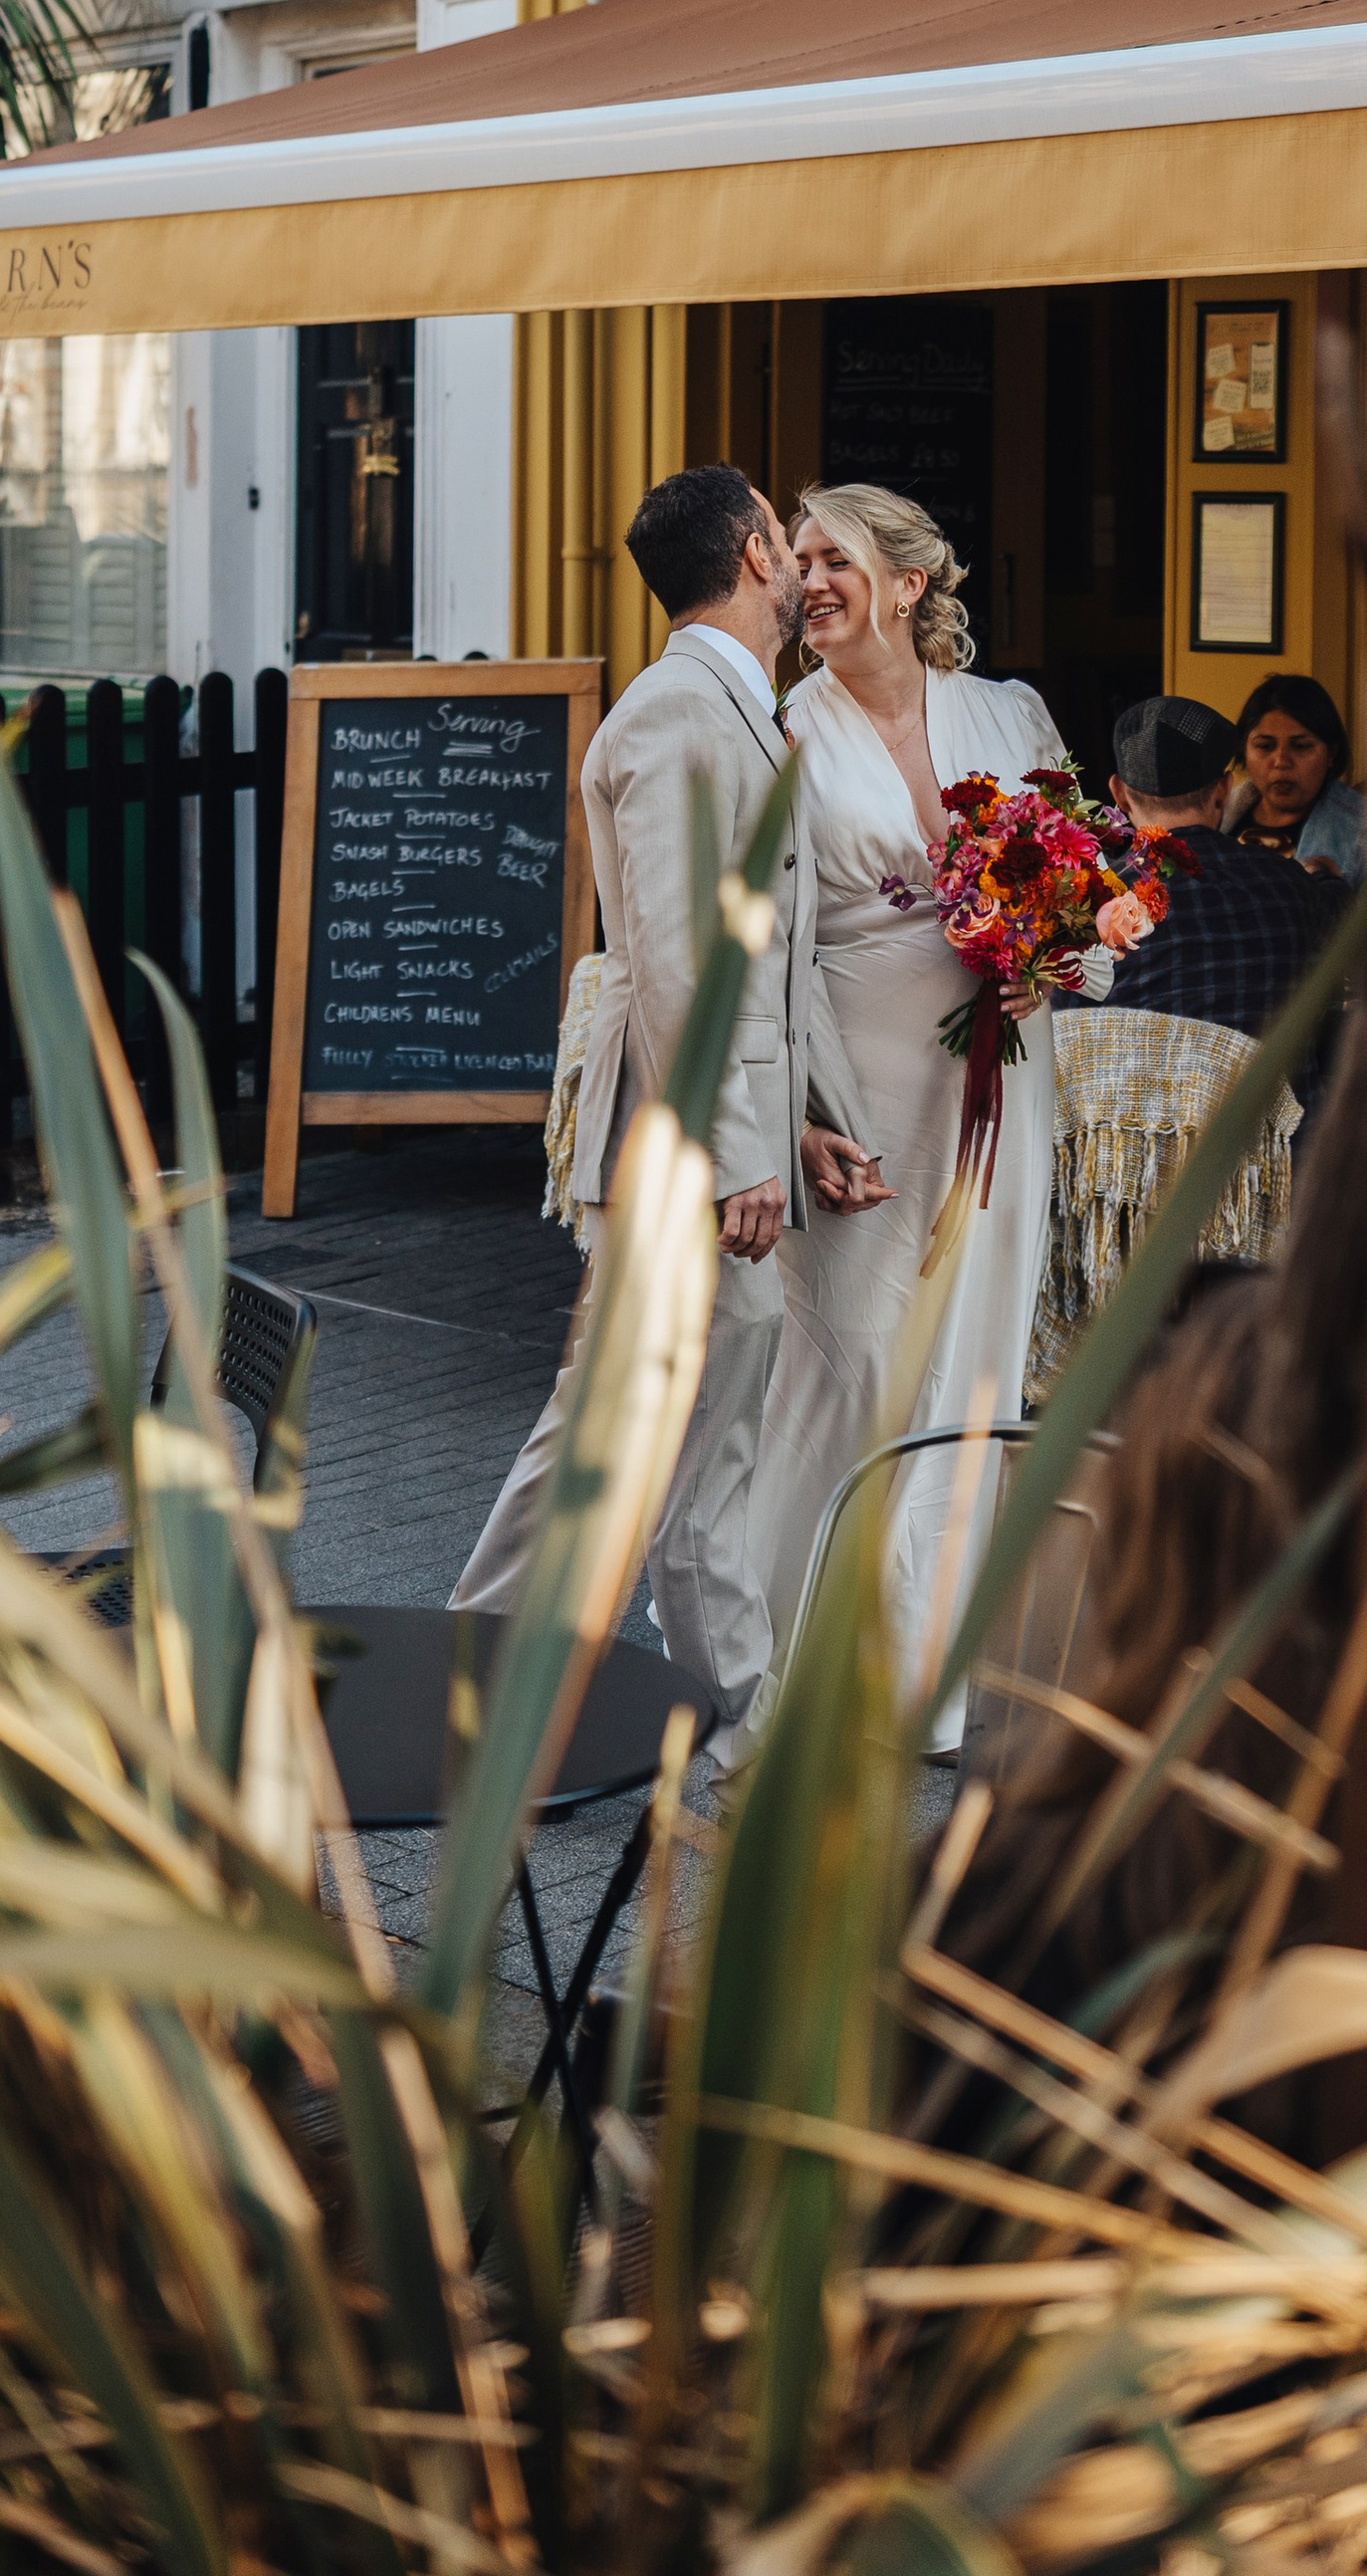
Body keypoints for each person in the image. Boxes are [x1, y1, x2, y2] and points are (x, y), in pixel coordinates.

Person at [450, 463, 883, 1771]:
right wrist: (737, 1151)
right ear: (755, 552)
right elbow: (697, 959)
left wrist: (799, 1122)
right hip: (681, 1152)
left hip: (706, 1142)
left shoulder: (726, 707)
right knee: (641, 1431)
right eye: (785, 538)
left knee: (691, 1437)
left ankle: (703, 1710)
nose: (805, 566)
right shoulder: (680, 718)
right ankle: (485, 1689)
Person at [742, 480, 1065, 1738]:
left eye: (833, 558)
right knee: (850, 1354)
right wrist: (801, 1111)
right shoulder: (782, 732)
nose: (806, 579)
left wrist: (1057, 958)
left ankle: (923, 1669)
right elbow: (768, 949)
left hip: (1005, 1079)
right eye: (797, 558)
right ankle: (790, 1648)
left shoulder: (1007, 711)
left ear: (911, 584)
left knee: (972, 1354)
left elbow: (1077, 881)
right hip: (860, 1085)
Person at [1085, 693, 1350, 1080]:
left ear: (1119, 793)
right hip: (1270, 1134)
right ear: (1224, 790)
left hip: (1129, 1133)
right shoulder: (1290, 886)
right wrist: (1324, 876)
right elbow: (1349, 930)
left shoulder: (1084, 905)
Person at [1225, 672, 1367, 883]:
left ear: (1331, 753)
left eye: (1301, 746)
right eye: (1265, 746)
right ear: (1244, 750)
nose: (1281, 761)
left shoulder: (1366, 831)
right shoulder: (1216, 813)